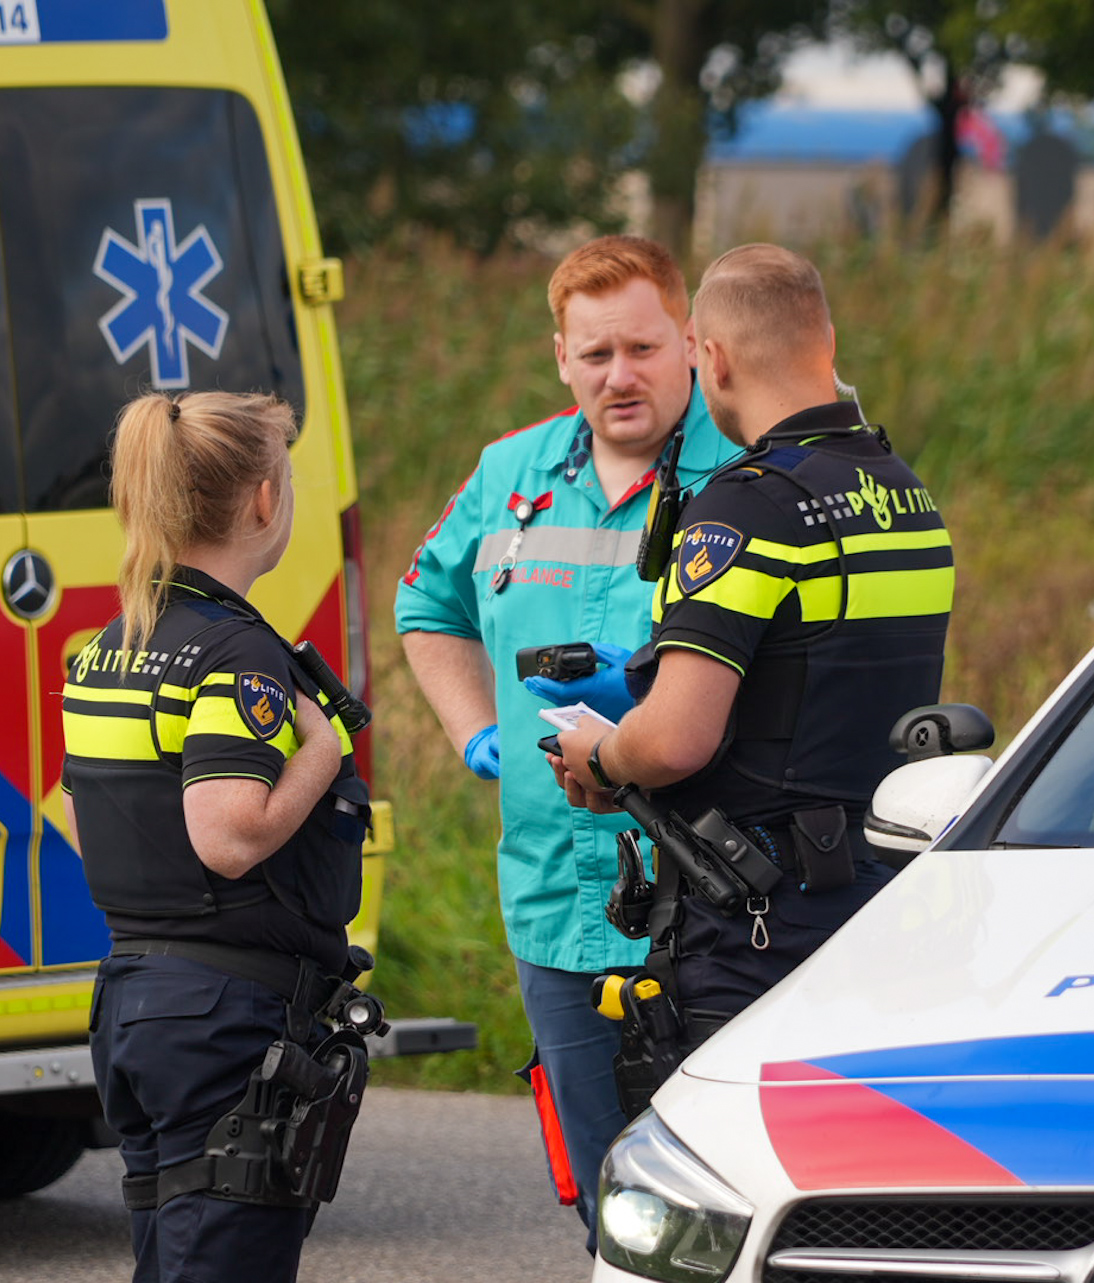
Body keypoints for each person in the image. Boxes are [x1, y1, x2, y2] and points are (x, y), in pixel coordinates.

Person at [394, 234, 733, 1243]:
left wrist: (652, 670)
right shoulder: (513, 472)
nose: (619, 377)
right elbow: (428, 604)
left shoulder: (745, 472)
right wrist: (473, 731)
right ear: (561, 356)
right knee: (610, 1205)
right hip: (554, 891)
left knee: (715, 1200)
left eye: (641, 347)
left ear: (689, 341)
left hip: (706, 893)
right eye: (595, 355)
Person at [551, 243, 954, 1046]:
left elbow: (673, 740)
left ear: (713, 358)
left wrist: (600, 755)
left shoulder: (747, 508)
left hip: (760, 923)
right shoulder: (904, 491)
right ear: (828, 342)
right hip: (884, 898)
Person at [62, 391, 370, 1283]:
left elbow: (88, 815)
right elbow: (229, 838)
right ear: (262, 501)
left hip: (137, 1006)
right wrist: (324, 747)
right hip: (225, 1021)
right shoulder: (234, 655)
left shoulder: (110, 644)